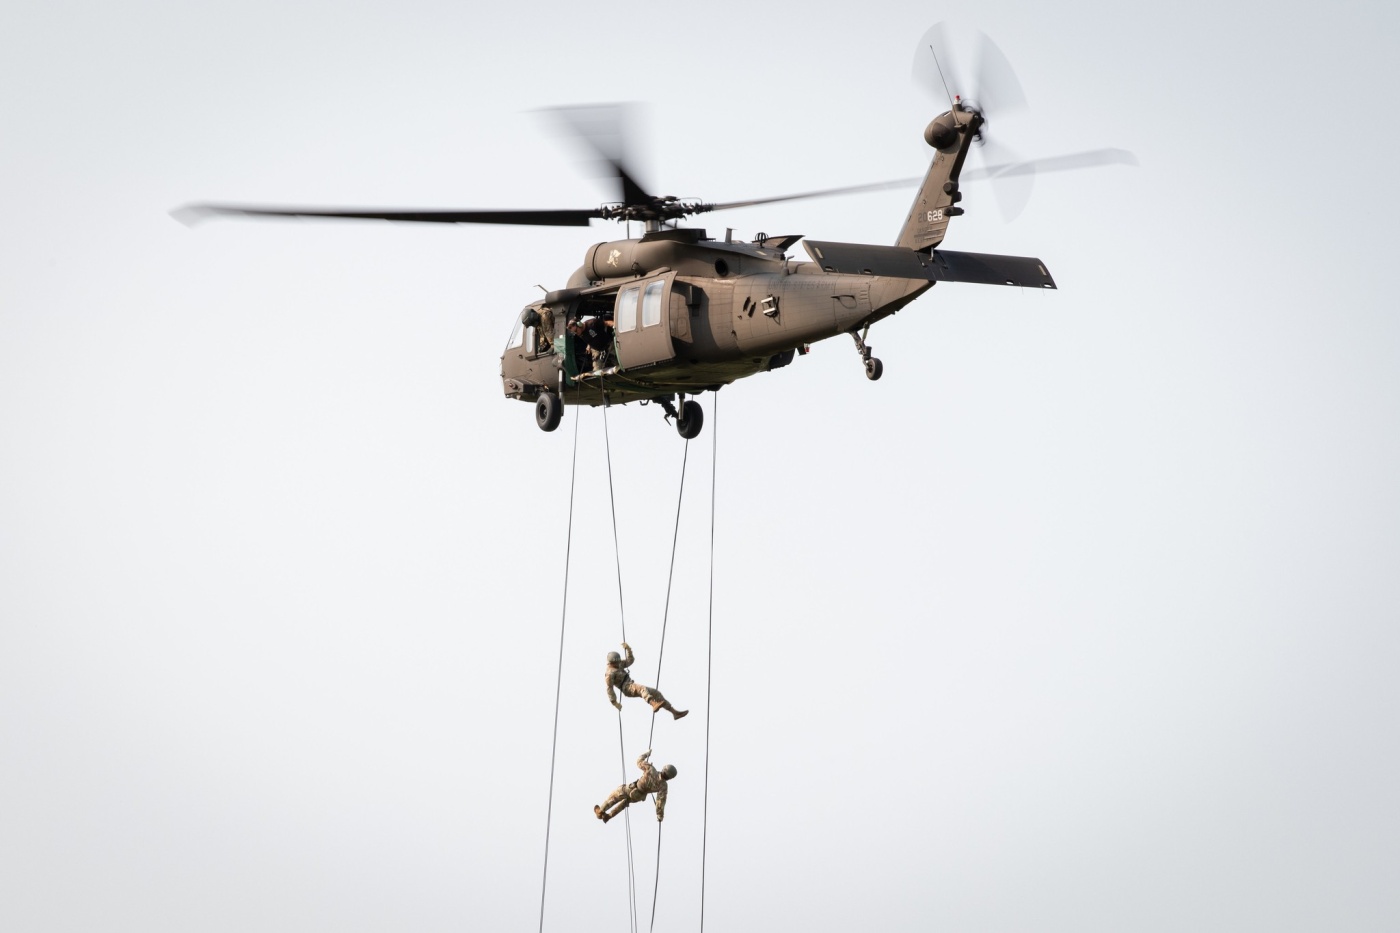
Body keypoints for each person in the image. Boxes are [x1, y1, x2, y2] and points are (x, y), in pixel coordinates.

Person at [605, 642, 688, 719]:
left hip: (630, 684)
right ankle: (654, 704)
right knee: (642, 689)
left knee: (656, 693)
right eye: (616, 663)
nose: (618, 664)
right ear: (611, 663)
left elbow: (630, 660)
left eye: (618, 662)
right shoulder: (609, 673)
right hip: (626, 688)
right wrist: (614, 702)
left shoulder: (618, 663)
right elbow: (609, 689)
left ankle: (674, 713)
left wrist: (629, 650)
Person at [595, 749, 676, 823]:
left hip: (633, 788)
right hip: (639, 797)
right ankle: (608, 816)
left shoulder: (651, 770)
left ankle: (600, 812)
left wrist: (647, 754)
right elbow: (660, 801)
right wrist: (660, 815)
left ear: (664, 769)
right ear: (670, 777)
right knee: (624, 803)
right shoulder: (663, 786)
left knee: (616, 795)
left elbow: (639, 761)